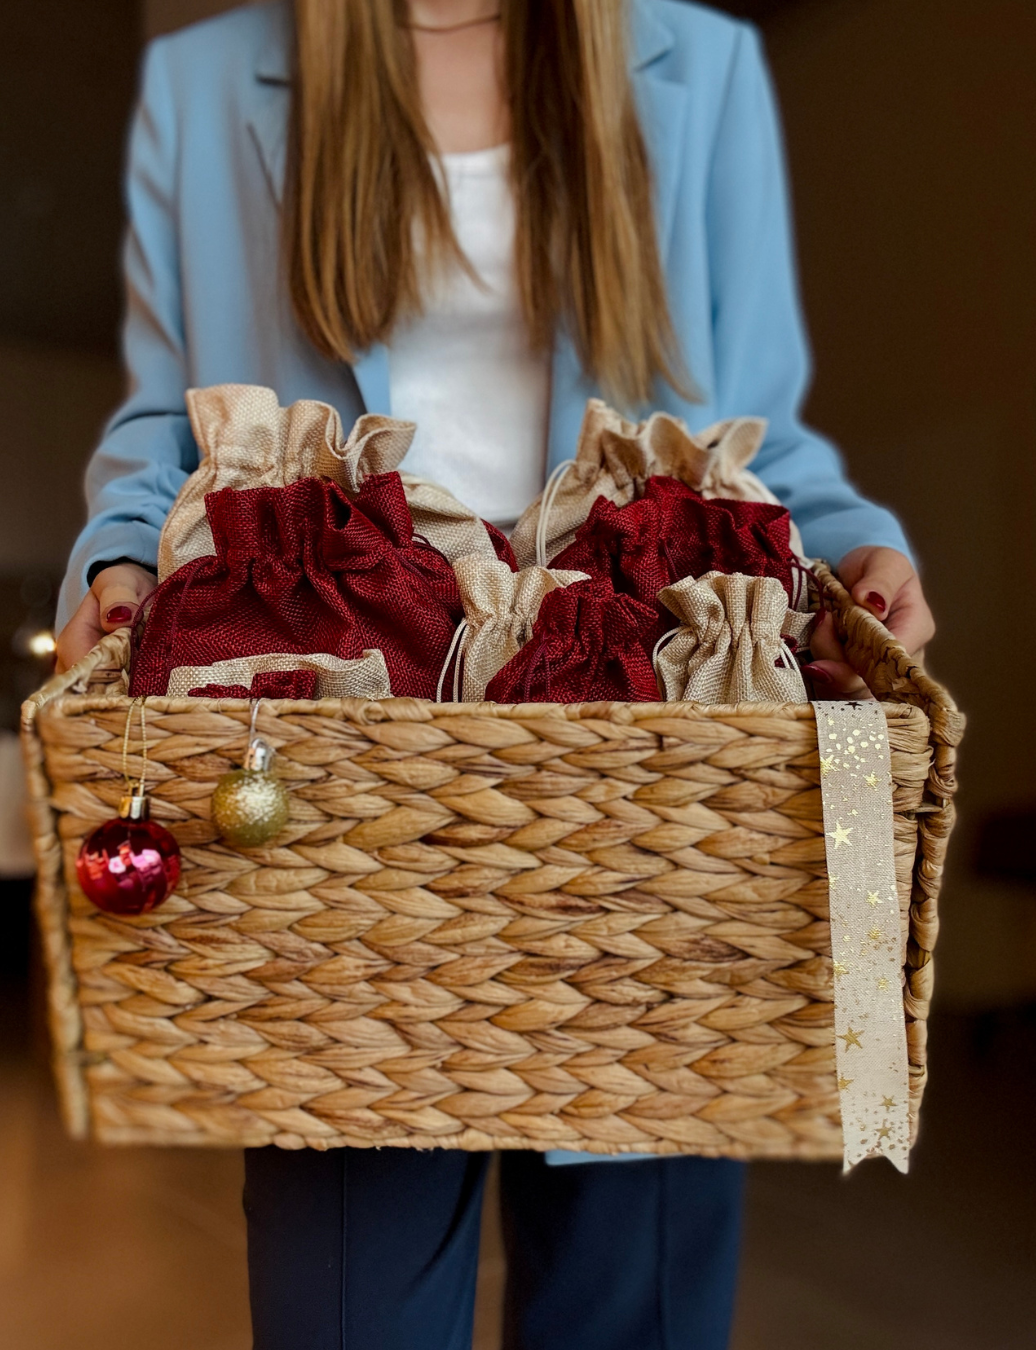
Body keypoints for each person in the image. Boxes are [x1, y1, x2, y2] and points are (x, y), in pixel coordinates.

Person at [54, 2, 936, 1346]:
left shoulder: (698, 68)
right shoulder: (208, 80)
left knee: (632, 1303)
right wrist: (120, 560)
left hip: (652, 775)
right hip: (346, 772)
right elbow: (157, 422)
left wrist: (858, 545)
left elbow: (762, 436)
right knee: (347, 1305)